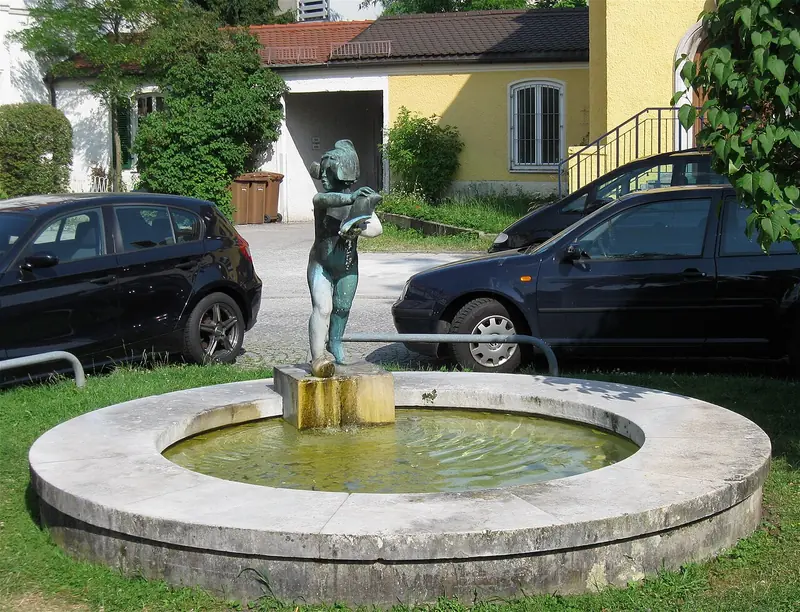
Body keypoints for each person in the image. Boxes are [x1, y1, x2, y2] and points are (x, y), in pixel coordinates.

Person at [306, 140, 382, 377]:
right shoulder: (322, 199)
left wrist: (358, 228)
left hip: (348, 266)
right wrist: (352, 200)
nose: (324, 180)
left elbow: (376, 228)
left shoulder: (359, 202)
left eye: (328, 175)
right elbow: (325, 200)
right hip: (321, 264)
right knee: (323, 308)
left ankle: (335, 343)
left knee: (342, 307)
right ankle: (318, 357)